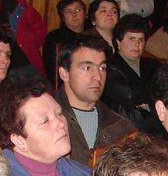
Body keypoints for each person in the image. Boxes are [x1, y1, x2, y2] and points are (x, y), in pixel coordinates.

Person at [55, 36, 136, 164]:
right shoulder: (46, 120)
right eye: (87, 68)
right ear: (64, 73)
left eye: (102, 68)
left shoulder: (120, 127)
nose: (97, 77)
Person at [102, 14, 160, 129]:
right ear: (118, 42)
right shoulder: (108, 67)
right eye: (131, 39)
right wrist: (153, 96)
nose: (137, 44)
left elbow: (167, 91)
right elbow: (130, 95)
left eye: (141, 40)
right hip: (123, 128)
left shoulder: (152, 65)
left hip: (155, 125)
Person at [42, 0, 87, 79]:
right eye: (68, 11)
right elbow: (51, 69)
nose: (74, 15)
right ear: (62, 17)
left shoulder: (94, 34)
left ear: (84, 13)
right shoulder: (54, 38)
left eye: (78, 10)